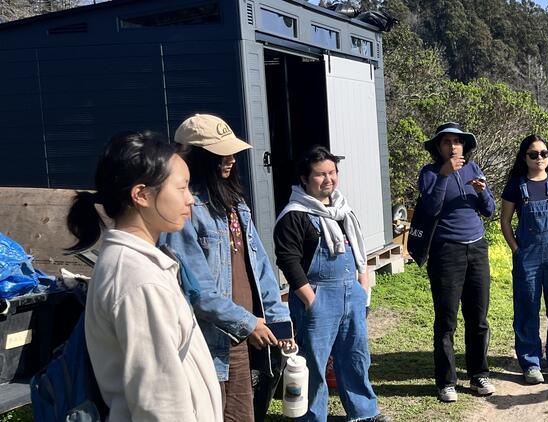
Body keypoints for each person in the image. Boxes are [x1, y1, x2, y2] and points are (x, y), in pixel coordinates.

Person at [66, 131, 222, 420]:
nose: (191, 200)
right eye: (182, 188)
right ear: (141, 195)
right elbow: (160, 402)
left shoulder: (136, 262)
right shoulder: (139, 280)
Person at [159, 114, 292, 421]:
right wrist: (248, 323)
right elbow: (198, 291)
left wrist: (279, 321)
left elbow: (260, 267)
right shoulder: (184, 211)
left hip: (241, 339)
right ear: (194, 157)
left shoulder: (235, 205)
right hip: (207, 342)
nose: (231, 159)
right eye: (221, 154)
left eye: (232, 152)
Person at [274, 146, 389, 422]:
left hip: (352, 294)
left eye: (333, 172)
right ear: (304, 178)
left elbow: (360, 252)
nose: (329, 179)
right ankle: (311, 417)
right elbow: (288, 262)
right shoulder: (294, 214)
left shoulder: (343, 210)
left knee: (355, 357)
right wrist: (311, 301)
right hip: (317, 297)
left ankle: (364, 412)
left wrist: (362, 286)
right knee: (313, 364)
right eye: (320, 174)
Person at [416, 122, 496, 402]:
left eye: (457, 141)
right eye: (447, 142)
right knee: (446, 320)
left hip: (477, 248)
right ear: (438, 148)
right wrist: (444, 176)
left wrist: (483, 191)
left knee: (478, 318)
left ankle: (478, 375)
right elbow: (431, 209)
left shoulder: (473, 169)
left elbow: (489, 210)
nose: (453, 146)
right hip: (445, 252)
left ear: (465, 145)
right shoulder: (429, 173)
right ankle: (446, 382)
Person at [499, 134, 548, 384]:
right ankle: (531, 364)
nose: (540, 158)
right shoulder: (515, 185)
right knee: (526, 310)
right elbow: (505, 221)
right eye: (534, 154)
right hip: (528, 257)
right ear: (525, 157)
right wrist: (516, 249)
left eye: (544, 153)